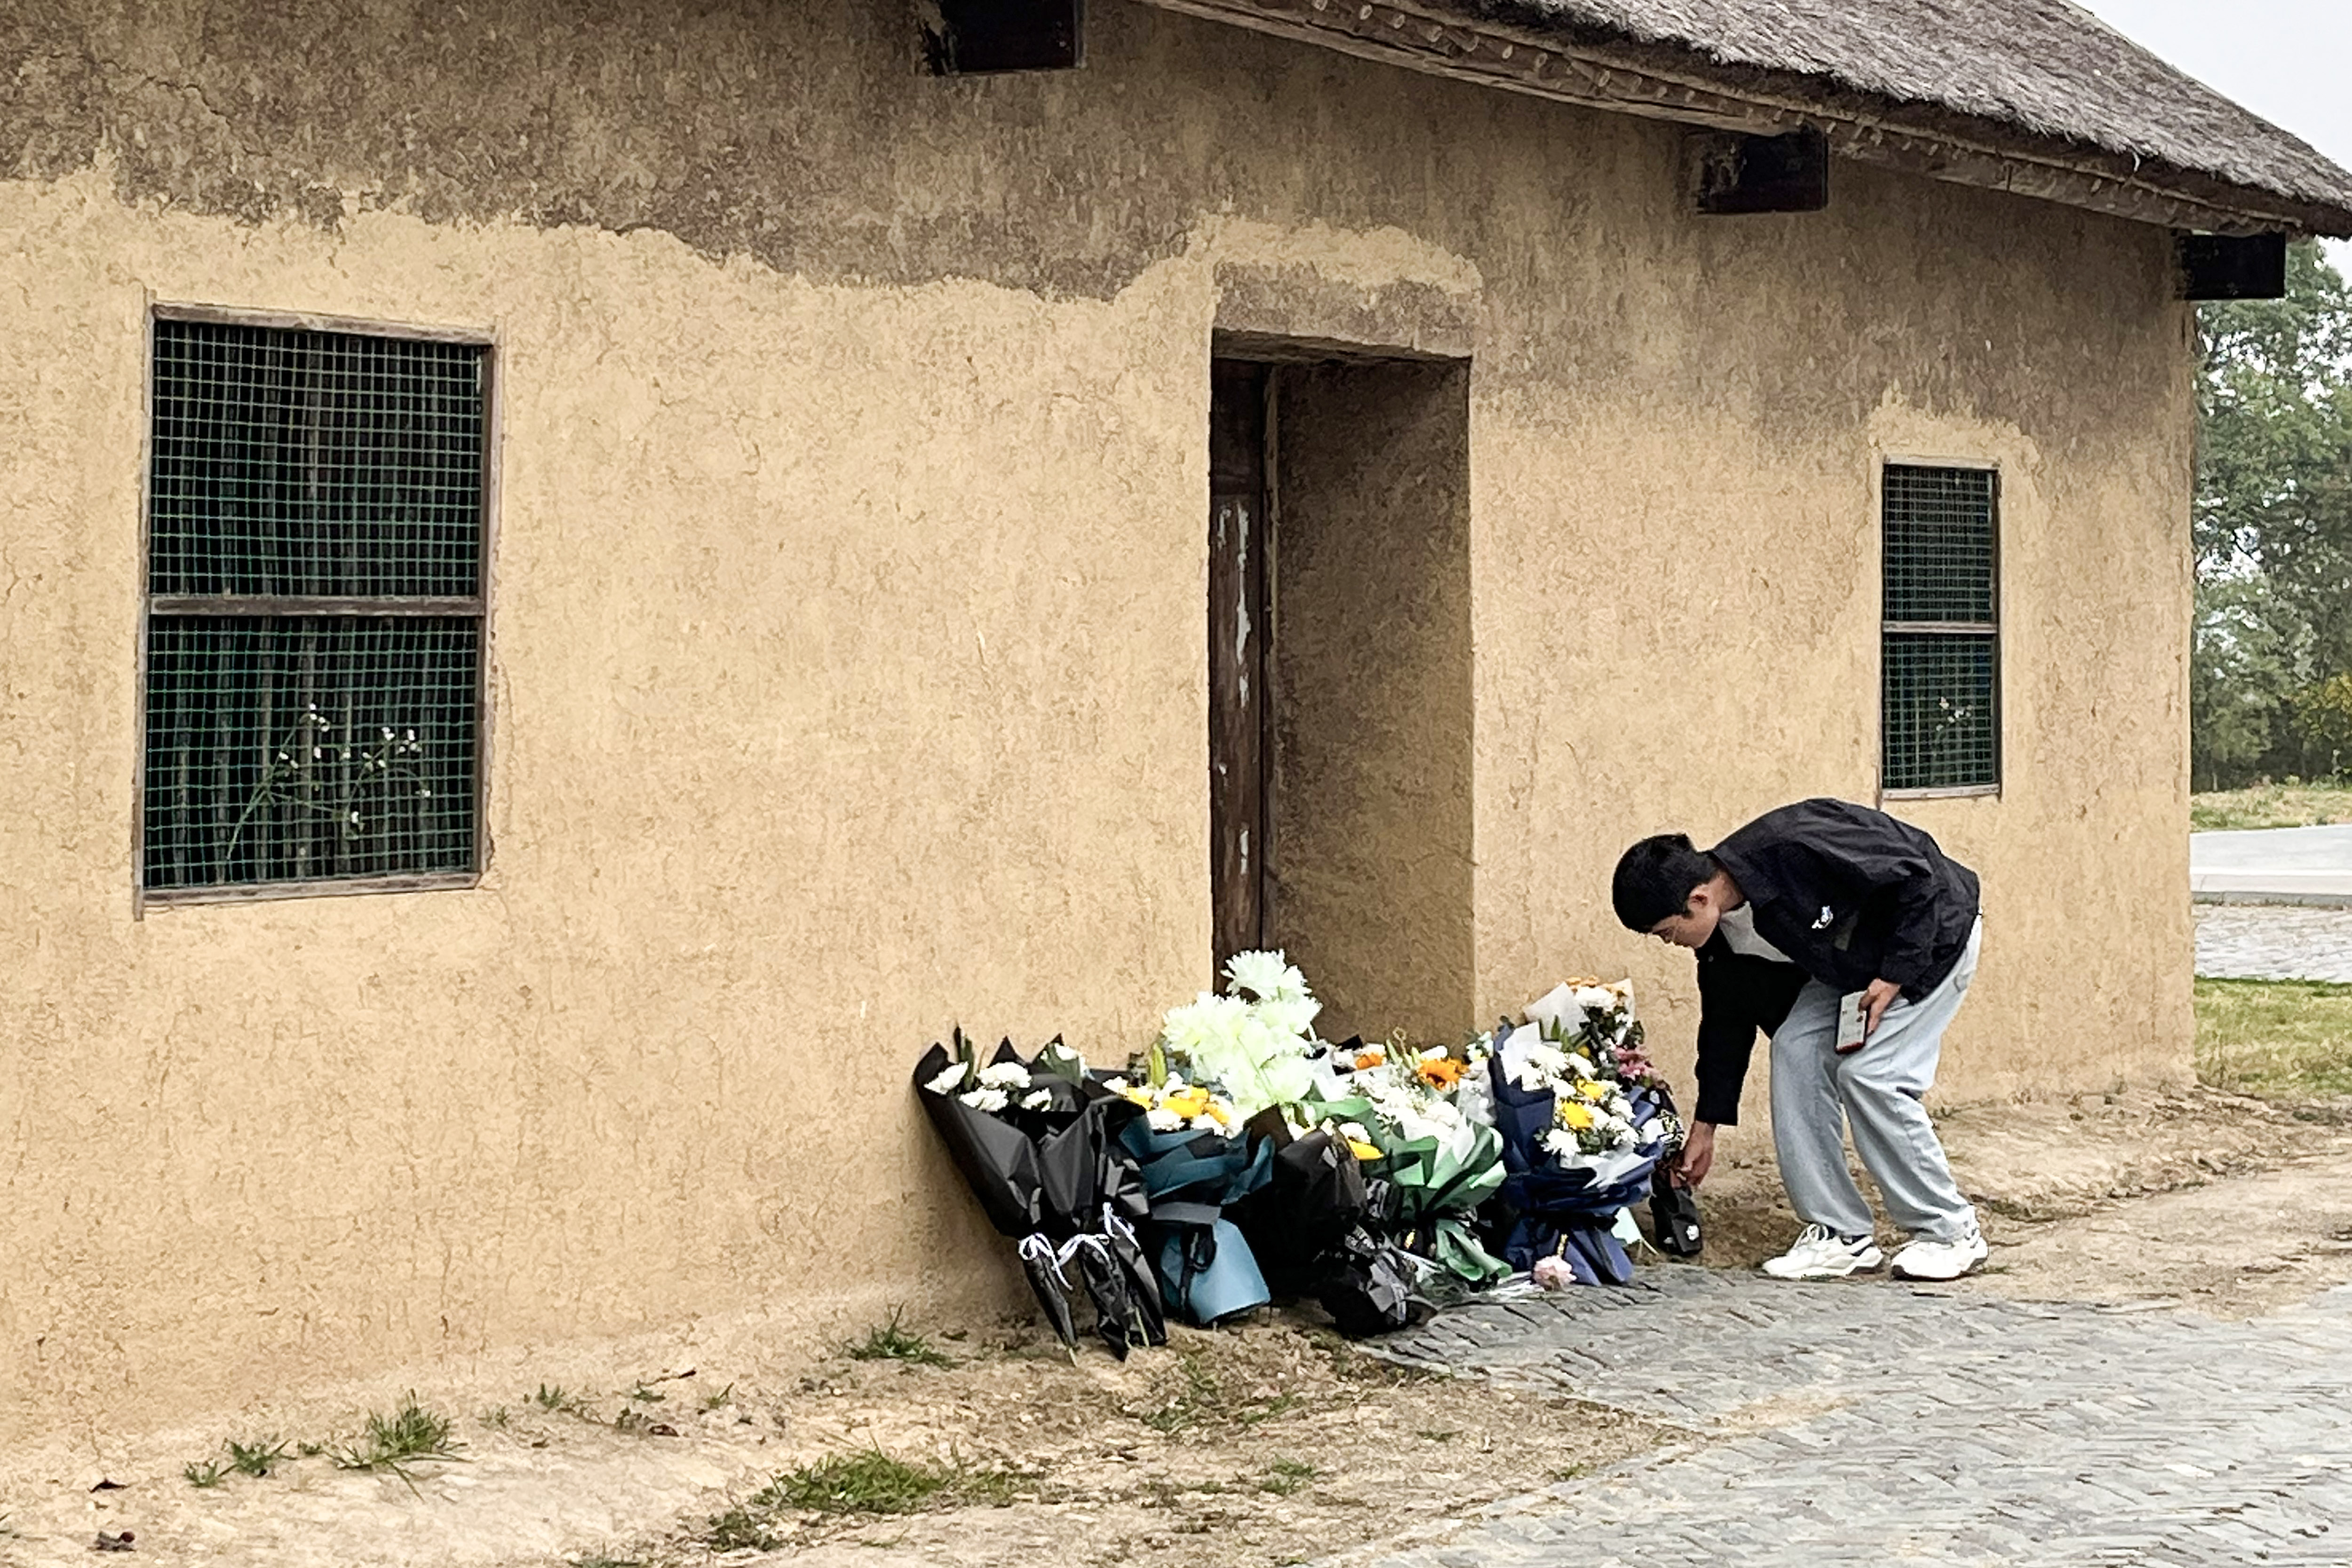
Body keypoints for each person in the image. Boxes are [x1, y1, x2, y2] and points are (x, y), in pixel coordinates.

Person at [1610, 798, 1987, 1282]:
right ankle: (1840, 1235)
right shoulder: (1719, 940)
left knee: (1871, 1077)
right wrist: (1704, 1129)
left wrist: (1894, 976)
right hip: (1851, 970)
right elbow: (1725, 1024)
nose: (1669, 943)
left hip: (1932, 943)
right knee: (1793, 1050)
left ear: (1698, 899)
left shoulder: (1796, 844)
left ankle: (1950, 1231)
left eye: (1667, 932)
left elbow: (1918, 878)